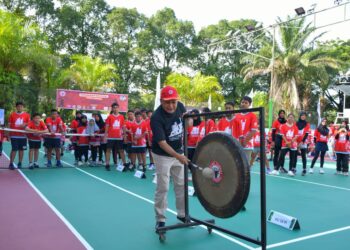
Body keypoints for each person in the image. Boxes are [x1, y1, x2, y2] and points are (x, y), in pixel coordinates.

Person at [151, 85, 189, 229]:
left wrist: (188, 119)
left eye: (173, 101)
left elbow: (189, 124)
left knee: (181, 185)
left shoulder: (180, 106)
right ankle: (160, 218)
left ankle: (182, 213)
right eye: (167, 102)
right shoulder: (156, 117)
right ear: (161, 101)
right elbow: (161, 143)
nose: (171, 105)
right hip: (162, 155)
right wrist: (178, 156)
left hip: (178, 151)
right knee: (163, 187)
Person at [104, 102, 127, 171]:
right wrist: (105, 135)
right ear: (112, 109)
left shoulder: (122, 117)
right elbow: (107, 126)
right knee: (108, 150)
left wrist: (125, 136)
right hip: (111, 137)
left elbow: (123, 127)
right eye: (114, 108)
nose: (115, 109)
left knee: (121, 151)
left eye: (116, 107)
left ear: (118, 108)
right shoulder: (109, 116)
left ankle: (124, 164)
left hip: (119, 137)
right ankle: (107, 164)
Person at [8, 101, 30, 169]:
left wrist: (25, 124)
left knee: (21, 150)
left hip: (23, 136)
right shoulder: (12, 114)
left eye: (21, 106)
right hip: (14, 135)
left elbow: (29, 124)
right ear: (16, 107)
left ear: (23, 107)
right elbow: (9, 125)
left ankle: (20, 163)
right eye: (18, 106)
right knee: (14, 149)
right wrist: (8, 134)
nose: (20, 107)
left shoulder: (27, 115)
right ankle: (11, 163)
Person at [235, 96, 258, 164]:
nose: (243, 104)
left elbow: (253, 131)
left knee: (245, 164)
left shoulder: (252, 115)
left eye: (246, 103)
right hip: (237, 142)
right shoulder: (237, 115)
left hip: (247, 143)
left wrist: (245, 142)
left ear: (249, 104)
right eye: (242, 102)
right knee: (237, 163)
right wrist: (239, 141)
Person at [296, 111, 310, 176]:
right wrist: (295, 141)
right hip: (296, 141)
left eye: (304, 115)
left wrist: (302, 141)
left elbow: (306, 134)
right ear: (300, 116)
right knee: (294, 156)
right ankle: (293, 168)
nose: (303, 116)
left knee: (303, 156)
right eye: (302, 115)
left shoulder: (307, 124)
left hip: (303, 142)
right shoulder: (296, 123)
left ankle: (304, 169)